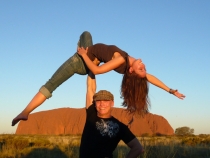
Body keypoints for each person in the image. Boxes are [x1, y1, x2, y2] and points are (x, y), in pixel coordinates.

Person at [12, 31, 185, 126]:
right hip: (90, 55)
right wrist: (170, 90)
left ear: (131, 71)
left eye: (141, 68)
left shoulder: (122, 60)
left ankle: (25, 112)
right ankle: (86, 53)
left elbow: (97, 70)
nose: (143, 65)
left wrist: (82, 55)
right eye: (144, 68)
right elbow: (150, 78)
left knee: (52, 84)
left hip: (79, 62)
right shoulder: (131, 64)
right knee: (85, 34)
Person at [79, 72, 144, 158]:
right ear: (94, 103)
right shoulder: (91, 114)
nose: (102, 104)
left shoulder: (120, 127)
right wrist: (93, 66)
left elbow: (138, 148)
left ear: (112, 103)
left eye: (106, 101)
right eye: (98, 101)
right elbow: (90, 88)